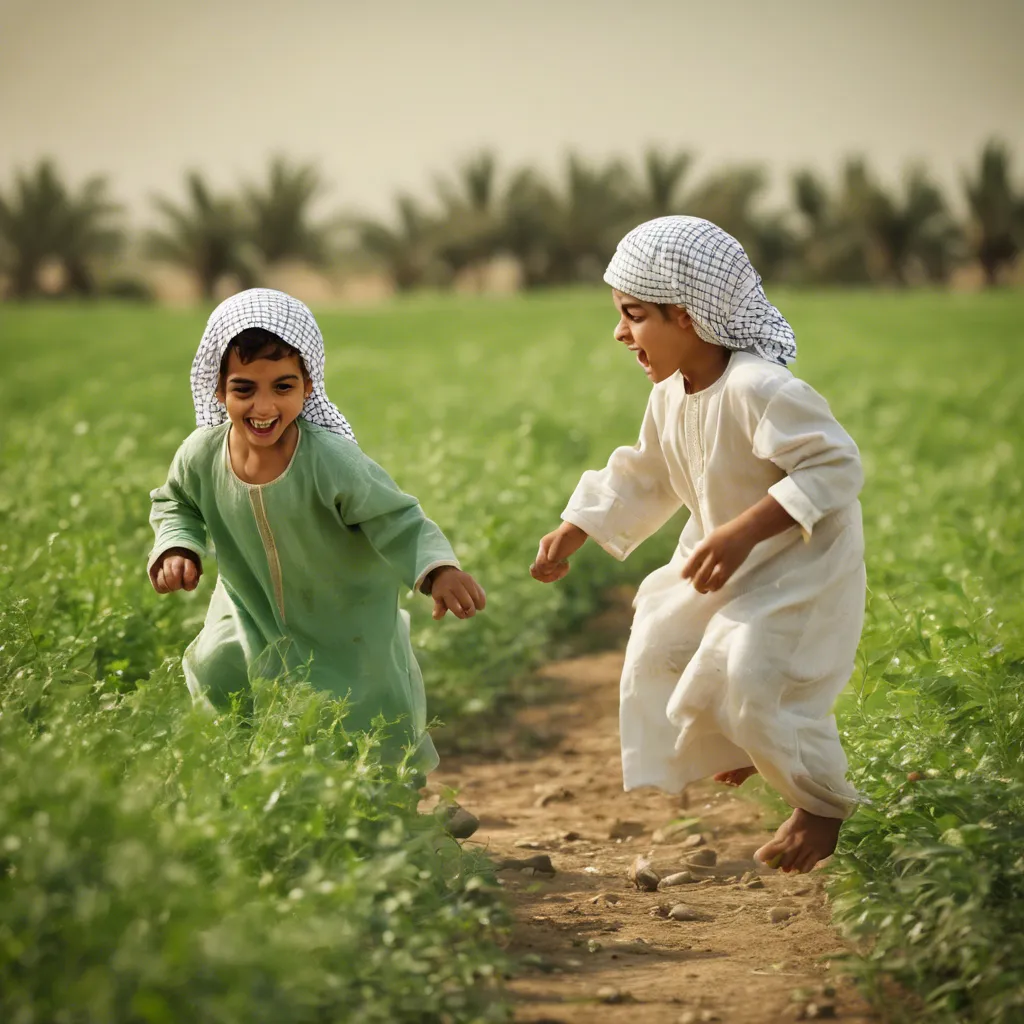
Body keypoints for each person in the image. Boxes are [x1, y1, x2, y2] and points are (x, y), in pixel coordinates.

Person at [531, 217, 865, 873]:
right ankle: (734, 746)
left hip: (800, 568)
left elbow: (835, 467)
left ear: (685, 315)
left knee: (750, 680)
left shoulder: (759, 388)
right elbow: (645, 472)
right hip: (730, 567)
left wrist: (743, 531)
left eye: (633, 315)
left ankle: (822, 807)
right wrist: (578, 527)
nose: (620, 333)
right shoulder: (669, 396)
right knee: (663, 644)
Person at [148, 288, 485, 777]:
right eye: (244, 389)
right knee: (220, 664)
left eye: (282, 387)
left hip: (340, 609)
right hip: (247, 601)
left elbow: (396, 518)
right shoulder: (201, 454)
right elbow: (176, 501)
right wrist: (178, 545)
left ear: (308, 386)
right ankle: (247, 785)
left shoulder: (331, 460)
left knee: (359, 705)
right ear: (218, 389)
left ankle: (391, 798)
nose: (263, 406)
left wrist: (437, 570)